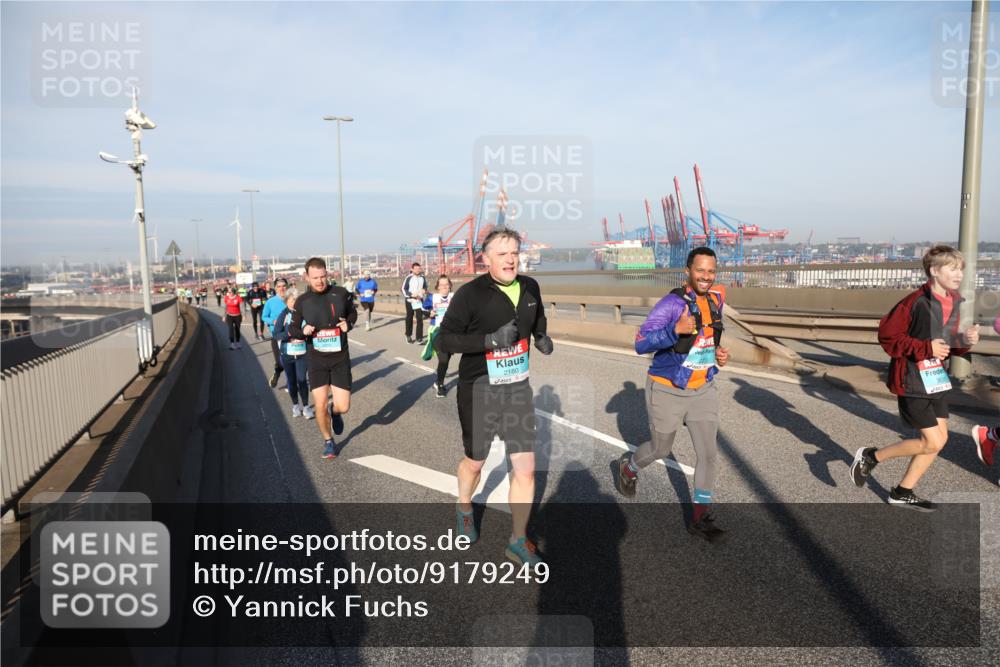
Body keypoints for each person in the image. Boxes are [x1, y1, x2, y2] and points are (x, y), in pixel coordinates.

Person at [436, 228, 553, 566]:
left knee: (526, 468)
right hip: (479, 390)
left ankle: (518, 540)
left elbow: (538, 316)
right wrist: (489, 341)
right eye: (502, 254)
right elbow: (446, 340)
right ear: (485, 259)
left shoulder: (530, 287)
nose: (511, 258)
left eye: (514, 252)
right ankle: (464, 507)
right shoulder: (470, 295)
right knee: (476, 460)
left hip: (517, 388)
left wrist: (542, 336)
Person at [851, 245, 980, 510]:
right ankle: (870, 456)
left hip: (936, 378)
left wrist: (963, 342)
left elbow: (944, 343)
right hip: (912, 379)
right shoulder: (914, 302)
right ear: (934, 271)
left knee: (939, 442)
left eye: (961, 269)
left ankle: (902, 491)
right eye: (953, 268)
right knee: (931, 441)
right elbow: (888, 337)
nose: (959, 274)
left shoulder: (953, 300)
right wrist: (925, 348)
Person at [615, 246, 730, 543]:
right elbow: (641, 343)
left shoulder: (716, 299)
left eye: (711, 271)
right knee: (660, 449)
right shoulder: (670, 304)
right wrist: (674, 330)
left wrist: (718, 353)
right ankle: (628, 467)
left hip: (703, 388)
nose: (706, 276)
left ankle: (699, 515)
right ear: (688, 272)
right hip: (667, 389)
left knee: (708, 455)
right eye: (700, 270)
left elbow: (706, 338)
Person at [288, 257, 357, 459]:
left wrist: (348, 324)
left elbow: (352, 313)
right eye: (315, 277)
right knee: (318, 404)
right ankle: (328, 441)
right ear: (307, 277)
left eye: (323, 276)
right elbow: (293, 328)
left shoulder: (341, 294)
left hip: (339, 359)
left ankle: (334, 413)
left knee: (343, 406)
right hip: (316, 360)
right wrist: (303, 330)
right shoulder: (302, 301)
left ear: (328, 274)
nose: (320, 281)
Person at [272, 289, 315, 419]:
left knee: (302, 379)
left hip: (302, 353)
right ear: (287, 302)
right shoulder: (283, 315)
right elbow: (276, 334)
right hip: (287, 354)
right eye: (291, 300)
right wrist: (289, 334)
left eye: (296, 300)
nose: (294, 302)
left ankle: (306, 407)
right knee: (291, 381)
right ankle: (296, 405)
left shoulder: (305, 314)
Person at [421, 275, 455, 398]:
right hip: (437, 331)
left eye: (446, 284)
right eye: (442, 285)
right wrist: (429, 313)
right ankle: (440, 385)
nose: (444, 287)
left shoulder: (455, 297)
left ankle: (437, 381)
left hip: (452, 332)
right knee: (444, 359)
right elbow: (423, 309)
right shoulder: (432, 297)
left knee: (446, 360)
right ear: (437, 287)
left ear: (450, 285)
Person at [262, 278, 290, 387]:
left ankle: (290, 383)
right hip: (277, 335)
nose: (282, 288)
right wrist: (273, 321)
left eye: (284, 286)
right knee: (280, 361)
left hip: (290, 335)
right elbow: (264, 316)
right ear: (275, 288)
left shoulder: (292, 300)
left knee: (290, 361)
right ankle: (277, 371)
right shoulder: (270, 302)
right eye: (279, 286)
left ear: (287, 287)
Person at [402, 262, 427, 344]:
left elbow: (425, 287)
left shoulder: (422, 277)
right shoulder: (408, 278)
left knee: (420, 319)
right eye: (415, 269)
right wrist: (411, 294)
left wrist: (424, 290)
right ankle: (408, 335)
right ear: (412, 269)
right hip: (410, 300)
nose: (417, 270)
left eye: (419, 268)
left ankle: (419, 338)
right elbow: (403, 289)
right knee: (409, 317)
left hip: (419, 300)